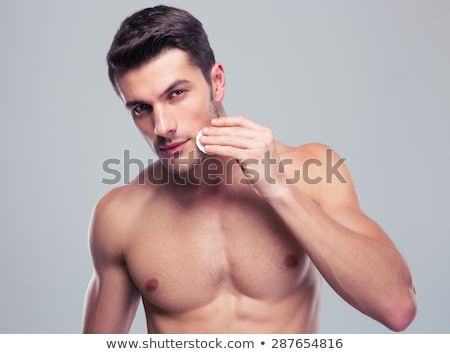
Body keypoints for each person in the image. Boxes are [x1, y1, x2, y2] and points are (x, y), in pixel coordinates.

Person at [82, 5, 416, 334]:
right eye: (141, 108)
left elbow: (398, 307)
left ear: (216, 82)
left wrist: (277, 190)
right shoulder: (120, 215)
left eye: (177, 94)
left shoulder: (312, 169)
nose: (162, 126)